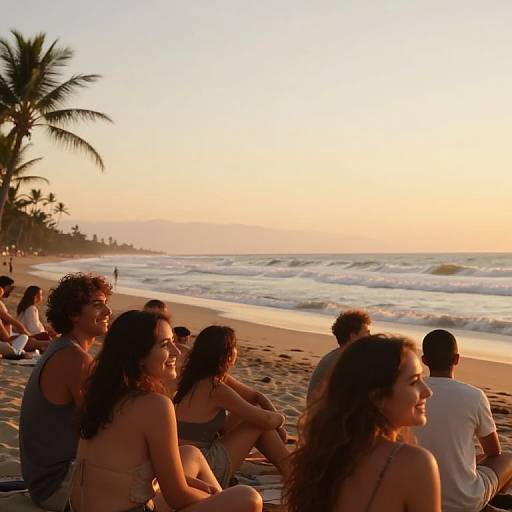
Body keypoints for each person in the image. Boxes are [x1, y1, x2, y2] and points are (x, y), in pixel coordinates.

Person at [72, 310, 262, 512]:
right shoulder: (155, 405)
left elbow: (122, 467)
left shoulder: (103, 394)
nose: (177, 352)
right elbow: (177, 497)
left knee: (190, 454)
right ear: (139, 356)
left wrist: (194, 486)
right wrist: (212, 497)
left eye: (173, 341)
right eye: (164, 345)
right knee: (248, 498)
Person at [285, 334, 440, 512]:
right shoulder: (414, 463)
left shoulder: (324, 455)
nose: (427, 392)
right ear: (377, 397)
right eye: (413, 382)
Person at [19, 273, 113, 511]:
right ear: (73, 314)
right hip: (58, 485)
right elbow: (102, 428)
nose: (107, 312)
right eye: (97, 305)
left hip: (45, 479)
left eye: (106, 304)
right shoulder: (74, 359)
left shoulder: (64, 347)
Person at [174, 325, 290, 489]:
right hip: (203, 466)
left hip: (182, 460)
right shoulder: (215, 389)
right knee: (257, 424)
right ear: (226, 355)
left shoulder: (192, 378)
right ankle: (292, 471)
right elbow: (266, 420)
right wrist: (281, 420)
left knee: (252, 413)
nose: (237, 351)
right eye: (234, 347)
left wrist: (274, 420)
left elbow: (254, 398)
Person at [413, 329, 512, 512]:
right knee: (507, 459)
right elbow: (493, 450)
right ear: (456, 359)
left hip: (415, 500)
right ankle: (485, 503)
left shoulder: (409, 394)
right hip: (463, 503)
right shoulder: (474, 396)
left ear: (424, 360)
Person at [306, 309, 371, 404]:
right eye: (367, 332)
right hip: (324, 415)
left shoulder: (336, 356)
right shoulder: (345, 360)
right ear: (353, 336)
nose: (370, 336)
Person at [0, 275, 46, 353]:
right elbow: (14, 323)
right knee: (33, 340)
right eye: (10, 288)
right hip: (7, 340)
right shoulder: (31, 309)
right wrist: (26, 333)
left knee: (28, 339)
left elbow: (13, 323)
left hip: (9, 337)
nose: (12, 291)